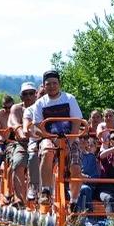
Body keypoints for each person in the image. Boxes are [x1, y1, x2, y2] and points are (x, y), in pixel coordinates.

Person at [24, 70, 83, 210]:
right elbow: (38, 127)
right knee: (46, 150)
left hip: (69, 137)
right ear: (44, 86)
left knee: (76, 167)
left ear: (59, 84)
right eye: (48, 84)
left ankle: (74, 200)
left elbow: (76, 122)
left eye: (54, 83)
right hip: (49, 137)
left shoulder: (69, 99)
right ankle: (45, 190)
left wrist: (71, 141)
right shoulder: (40, 104)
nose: (52, 86)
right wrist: (51, 138)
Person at [8, 82, 38, 206]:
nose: (28, 96)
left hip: (37, 141)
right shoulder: (16, 108)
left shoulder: (40, 106)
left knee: (38, 159)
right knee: (19, 162)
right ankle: (20, 199)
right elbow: (14, 122)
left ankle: (40, 195)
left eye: (31, 93)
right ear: (21, 96)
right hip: (21, 143)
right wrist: (20, 132)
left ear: (36, 95)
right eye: (25, 94)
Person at [77, 135, 100, 213]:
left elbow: (95, 178)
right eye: (80, 137)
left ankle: (88, 217)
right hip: (72, 185)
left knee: (85, 189)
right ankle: (76, 218)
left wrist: (86, 178)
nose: (83, 139)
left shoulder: (91, 157)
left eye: (85, 137)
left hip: (87, 186)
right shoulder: (67, 154)